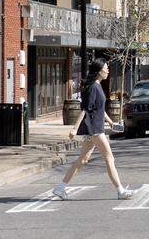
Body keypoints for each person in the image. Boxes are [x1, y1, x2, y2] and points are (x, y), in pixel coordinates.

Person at [53, 58, 133, 200]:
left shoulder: (96, 85)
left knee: (83, 159)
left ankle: (60, 187)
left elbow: (99, 110)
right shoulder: (93, 87)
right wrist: (75, 128)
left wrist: (111, 123)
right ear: (99, 71)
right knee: (109, 158)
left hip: (95, 128)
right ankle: (120, 190)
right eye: (106, 68)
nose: (108, 70)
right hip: (95, 129)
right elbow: (85, 109)